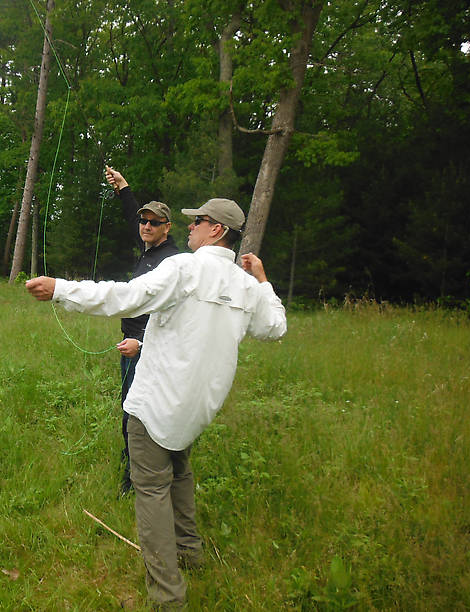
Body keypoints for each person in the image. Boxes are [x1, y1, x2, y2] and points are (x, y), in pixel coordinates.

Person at [26, 197, 287, 609]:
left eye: (197, 221)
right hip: (195, 410)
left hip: (155, 408)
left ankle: (167, 597)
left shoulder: (185, 267)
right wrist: (262, 279)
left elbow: (128, 297)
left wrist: (61, 289)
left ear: (216, 229)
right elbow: (273, 326)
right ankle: (190, 552)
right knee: (179, 473)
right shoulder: (246, 287)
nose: (190, 228)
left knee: (150, 491)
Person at [105, 165, 179, 494]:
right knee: (129, 408)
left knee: (139, 413)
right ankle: (132, 465)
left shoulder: (173, 260)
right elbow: (129, 217)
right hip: (130, 346)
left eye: (154, 222)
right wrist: (122, 186)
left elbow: (175, 317)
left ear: (168, 227)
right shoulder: (151, 249)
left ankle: (137, 477)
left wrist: (142, 343)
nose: (146, 226)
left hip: (147, 350)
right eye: (143, 221)